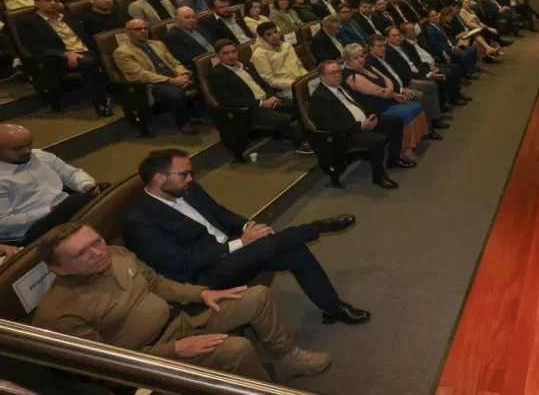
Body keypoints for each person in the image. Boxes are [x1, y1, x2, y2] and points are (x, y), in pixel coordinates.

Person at [32, 222, 331, 382]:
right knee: (238, 348)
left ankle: (289, 356)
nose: (98, 252)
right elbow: (107, 364)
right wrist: (172, 350)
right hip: (151, 356)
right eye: (82, 252)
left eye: (96, 241)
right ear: (58, 267)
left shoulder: (116, 254)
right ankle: (258, 389)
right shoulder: (60, 314)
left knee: (257, 296)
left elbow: (157, 283)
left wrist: (200, 294)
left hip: (181, 320)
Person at [123, 148, 368, 323]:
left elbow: (220, 213)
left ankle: (332, 307)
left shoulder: (187, 190)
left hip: (231, 252)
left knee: (293, 249)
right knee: (265, 246)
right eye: (184, 174)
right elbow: (183, 263)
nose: (191, 179)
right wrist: (242, 242)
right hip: (203, 275)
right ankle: (316, 227)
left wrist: (249, 226)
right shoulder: (140, 222)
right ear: (159, 178)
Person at [310, 61, 413, 189]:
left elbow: (357, 103)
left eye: (338, 72)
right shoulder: (319, 97)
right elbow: (332, 125)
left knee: (395, 121)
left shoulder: (341, 85)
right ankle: (379, 176)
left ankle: (394, 158)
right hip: (345, 133)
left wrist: (369, 116)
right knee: (377, 140)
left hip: (363, 121)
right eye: (332, 73)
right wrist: (361, 126)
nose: (337, 75)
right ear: (321, 77)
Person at [207, 40, 313, 155]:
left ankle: (311, 137)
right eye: (225, 53)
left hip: (268, 100)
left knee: (300, 106)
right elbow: (229, 100)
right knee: (282, 118)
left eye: (233, 51)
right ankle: (301, 144)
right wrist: (261, 103)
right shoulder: (218, 74)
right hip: (251, 109)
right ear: (217, 56)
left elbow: (262, 83)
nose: (231, 56)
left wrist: (272, 95)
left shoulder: (247, 64)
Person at [0, 124, 99, 243]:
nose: (27, 151)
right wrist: (48, 210)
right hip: (33, 228)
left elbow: (72, 174)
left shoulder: (40, 156)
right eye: (18, 149)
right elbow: (3, 222)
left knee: (103, 196)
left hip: (66, 209)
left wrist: (85, 184)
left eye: (29, 145)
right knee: (80, 203)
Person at [18, 0, 112, 116]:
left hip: (87, 51)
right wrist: (65, 53)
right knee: (89, 62)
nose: (53, 3)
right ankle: (101, 104)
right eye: (47, 0)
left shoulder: (67, 16)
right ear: (36, 3)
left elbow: (85, 37)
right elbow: (37, 48)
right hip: (59, 59)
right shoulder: (28, 23)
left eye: (56, 0)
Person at [339, 44, 427, 161]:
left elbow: (387, 80)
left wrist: (392, 93)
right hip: (375, 108)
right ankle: (404, 149)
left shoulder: (367, 66)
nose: (361, 60)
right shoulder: (350, 75)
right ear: (347, 61)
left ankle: (414, 141)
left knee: (416, 106)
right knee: (407, 112)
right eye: (356, 58)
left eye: (361, 56)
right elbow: (379, 91)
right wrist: (389, 91)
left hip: (387, 99)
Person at [114, 19, 200, 134]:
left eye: (145, 28)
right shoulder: (122, 52)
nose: (143, 31)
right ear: (127, 32)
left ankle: (200, 113)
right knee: (175, 93)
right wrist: (171, 80)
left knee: (203, 78)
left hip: (173, 76)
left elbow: (174, 63)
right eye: (138, 29)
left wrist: (184, 74)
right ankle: (183, 123)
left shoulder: (157, 44)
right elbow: (141, 75)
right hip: (152, 83)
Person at [365, 33, 448, 132]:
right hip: (395, 91)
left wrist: (410, 80)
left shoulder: (386, 55)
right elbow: (381, 83)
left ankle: (434, 118)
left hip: (403, 83)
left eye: (384, 45)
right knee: (418, 95)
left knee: (431, 85)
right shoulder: (369, 63)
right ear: (371, 48)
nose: (383, 48)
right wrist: (401, 90)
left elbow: (398, 71)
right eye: (379, 46)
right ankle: (427, 129)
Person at [385, 25, 467, 107]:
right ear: (387, 39)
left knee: (453, 68)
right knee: (443, 76)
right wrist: (427, 74)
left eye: (399, 35)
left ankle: (454, 96)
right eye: (394, 36)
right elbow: (404, 72)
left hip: (421, 70)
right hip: (412, 77)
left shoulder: (403, 46)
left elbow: (416, 62)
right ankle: (443, 106)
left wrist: (428, 68)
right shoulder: (389, 53)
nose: (398, 37)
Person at [250, 23, 307, 100]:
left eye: (275, 32)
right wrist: (295, 84)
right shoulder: (259, 54)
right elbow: (269, 80)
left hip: (300, 81)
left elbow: (299, 66)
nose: (275, 36)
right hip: (284, 89)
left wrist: (306, 79)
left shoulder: (286, 45)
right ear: (262, 38)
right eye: (269, 34)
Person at [423, 8, 478, 76]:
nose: (435, 17)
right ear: (428, 18)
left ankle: (469, 72)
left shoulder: (438, 25)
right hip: (446, 49)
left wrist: (455, 44)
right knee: (464, 54)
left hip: (452, 45)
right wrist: (451, 47)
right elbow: (435, 44)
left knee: (471, 49)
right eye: (432, 16)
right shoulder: (430, 29)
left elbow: (447, 38)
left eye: (436, 15)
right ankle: (463, 75)